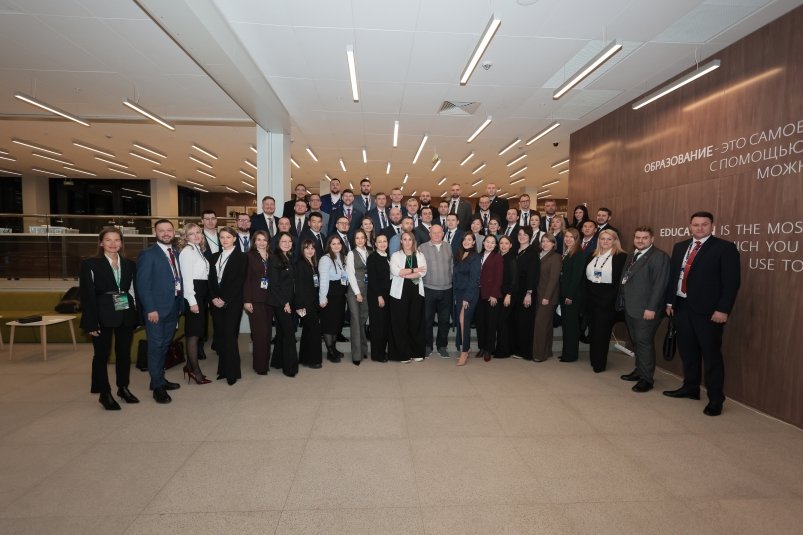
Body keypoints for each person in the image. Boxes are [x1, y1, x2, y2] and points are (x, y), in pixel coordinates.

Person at [664, 212, 740, 416]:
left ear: (712, 226)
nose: (699, 228)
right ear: (690, 226)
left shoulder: (725, 248)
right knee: (688, 352)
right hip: (681, 307)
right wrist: (670, 301)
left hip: (709, 312)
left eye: (704, 224)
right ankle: (691, 388)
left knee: (711, 355)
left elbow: (731, 283)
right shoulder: (680, 247)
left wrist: (723, 309)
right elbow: (674, 276)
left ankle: (716, 399)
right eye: (695, 224)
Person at [79, 228, 139, 410]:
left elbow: (132, 290)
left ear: (121, 243)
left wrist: (135, 314)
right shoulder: (90, 264)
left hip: (124, 312)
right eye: (108, 240)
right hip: (101, 314)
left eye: (117, 240)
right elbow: (87, 295)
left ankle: (123, 388)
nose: (113, 244)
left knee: (123, 353)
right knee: (101, 355)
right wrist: (91, 322)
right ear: (101, 243)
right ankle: (104, 393)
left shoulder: (129, 264)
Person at [617, 227, 670, 393]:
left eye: (644, 238)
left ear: (652, 239)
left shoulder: (659, 256)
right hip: (631, 307)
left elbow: (660, 285)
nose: (640, 241)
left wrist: (651, 308)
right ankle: (639, 371)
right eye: (638, 237)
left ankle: (647, 379)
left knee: (644, 342)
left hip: (646, 309)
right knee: (637, 341)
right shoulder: (632, 255)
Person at [136, 219, 184, 404]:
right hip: (156, 311)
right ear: (155, 233)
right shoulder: (148, 254)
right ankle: (157, 387)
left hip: (173, 308)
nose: (166, 233)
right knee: (155, 347)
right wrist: (150, 309)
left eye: (169, 230)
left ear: (174, 232)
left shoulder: (176, 253)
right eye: (161, 230)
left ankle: (159, 379)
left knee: (164, 345)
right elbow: (143, 285)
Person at [585, 229, 628, 373]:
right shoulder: (592, 255)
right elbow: (586, 278)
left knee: (602, 333)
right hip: (591, 298)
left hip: (608, 300)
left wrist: (608, 298)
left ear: (615, 241)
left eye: (609, 239)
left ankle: (599, 363)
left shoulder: (621, 257)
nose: (605, 241)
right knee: (593, 331)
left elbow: (620, 282)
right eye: (602, 238)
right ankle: (594, 359)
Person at [209, 227, 247, 385]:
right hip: (215, 302)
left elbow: (239, 281)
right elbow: (210, 280)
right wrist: (213, 297)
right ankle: (223, 370)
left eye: (228, 237)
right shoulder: (214, 256)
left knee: (230, 336)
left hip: (232, 302)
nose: (225, 240)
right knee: (221, 336)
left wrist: (225, 299)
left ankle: (232, 373)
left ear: (234, 239)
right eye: (222, 237)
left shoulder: (242, 257)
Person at [177, 222, 211, 384]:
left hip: (201, 293)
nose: (196, 235)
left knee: (198, 331)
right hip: (194, 295)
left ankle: (188, 367)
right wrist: (192, 301)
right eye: (191, 233)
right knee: (193, 333)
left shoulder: (198, 250)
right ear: (185, 237)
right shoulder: (187, 252)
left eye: (198, 232)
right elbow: (187, 279)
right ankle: (195, 372)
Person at [388, 231, 427, 362]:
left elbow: (423, 272)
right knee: (401, 323)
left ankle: (416, 352)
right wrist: (414, 270)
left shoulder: (420, 255)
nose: (407, 242)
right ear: (401, 241)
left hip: (416, 293)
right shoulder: (395, 255)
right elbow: (396, 271)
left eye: (410, 239)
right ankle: (402, 354)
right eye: (405, 239)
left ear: (413, 241)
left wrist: (405, 273)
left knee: (415, 322)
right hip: (399, 294)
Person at [419, 224, 453, 358]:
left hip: (447, 289)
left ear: (443, 234)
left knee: (444, 320)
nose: (437, 235)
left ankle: (442, 346)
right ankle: (427, 346)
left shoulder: (448, 247)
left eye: (439, 232)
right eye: (434, 232)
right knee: (427, 319)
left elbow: (451, 266)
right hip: (429, 289)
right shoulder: (422, 248)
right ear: (429, 234)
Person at [268, 231, 298, 377]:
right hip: (281, 302)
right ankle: (290, 368)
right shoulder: (274, 259)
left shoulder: (289, 257)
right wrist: (285, 302)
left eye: (289, 241)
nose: (287, 244)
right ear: (278, 243)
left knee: (281, 332)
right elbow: (273, 285)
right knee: (289, 333)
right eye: (283, 241)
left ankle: (277, 361)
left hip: (288, 301)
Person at [243, 230, 273, 376]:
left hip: (270, 299)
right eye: (258, 239)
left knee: (267, 333)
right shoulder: (249, 257)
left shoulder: (271, 256)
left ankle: (265, 362)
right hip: (255, 300)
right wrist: (247, 300)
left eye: (264, 239)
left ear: (268, 242)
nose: (261, 242)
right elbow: (246, 279)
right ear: (254, 241)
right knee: (259, 334)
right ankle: (260, 366)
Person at [318, 234, 348, 362]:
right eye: (333, 244)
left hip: (340, 296)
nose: (336, 246)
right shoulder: (325, 259)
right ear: (329, 245)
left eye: (338, 243)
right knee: (329, 324)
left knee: (336, 323)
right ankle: (330, 351)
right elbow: (323, 280)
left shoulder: (341, 257)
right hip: (330, 295)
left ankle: (334, 348)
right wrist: (323, 298)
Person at [453, 233, 481, 365]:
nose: (466, 241)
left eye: (469, 239)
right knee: (460, 321)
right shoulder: (459, 255)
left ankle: (464, 351)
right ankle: (466, 347)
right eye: (464, 239)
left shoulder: (475, 257)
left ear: (474, 242)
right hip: (459, 293)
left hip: (470, 293)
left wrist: (467, 297)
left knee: (463, 320)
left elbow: (474, 279)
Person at [511, 226, 539, 360]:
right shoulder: (516, 251)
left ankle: (526, 351)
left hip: (526, 291)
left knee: (525, 322)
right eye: (520, 234)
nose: (522, 236)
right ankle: (517, 349)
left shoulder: (532, 253)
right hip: (516, 291)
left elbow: (533, 275)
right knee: (517, 321)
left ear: (530, 237)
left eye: (525, 234)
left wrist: (529, 293)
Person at [532, 234, 561, 362]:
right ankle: (547, 351)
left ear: (553, 244)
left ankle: (539, 354)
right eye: (543, 241)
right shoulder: (539, 255)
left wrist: (547, 297)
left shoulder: (556, 257)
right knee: (546, 325)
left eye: (548, 241)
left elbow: (553, 279)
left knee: (540, 325)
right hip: (538, 294)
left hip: (547, 297)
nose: (545, 243)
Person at [558, 228, 586, 363]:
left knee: (571, 326)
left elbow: (576, 276)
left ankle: (571, 354)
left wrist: (570, 295)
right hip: (564, 293)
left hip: (571, 295)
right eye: (566, 236)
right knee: (566, 325)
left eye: (571, 237)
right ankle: (566, 352)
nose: (568, 239)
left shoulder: (579, 253)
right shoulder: (567, 251)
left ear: (576, 239)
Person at [295, 239, 323, 369]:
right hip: (305, 303)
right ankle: (313, 360)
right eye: (307, 248)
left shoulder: (314, 264)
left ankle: (304, 358)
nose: (310, 250)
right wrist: (299, 306)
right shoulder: (300, 264)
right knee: (314, 331)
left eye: (312, 248)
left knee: (307, 331)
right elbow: (298, 287)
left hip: (313, 302)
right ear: (302, 249)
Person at [345, 229, 371, 365]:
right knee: (355, 321)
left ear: (366, 239)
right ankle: (356, 355)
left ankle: (363, 349)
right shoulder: (351, 253)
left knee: (362, 319)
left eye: (362, 238)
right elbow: (350, 274)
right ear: (354, 240)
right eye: (357, 238)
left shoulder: (369, 252)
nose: (360, 240)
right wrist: (357, 293)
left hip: (367, 289)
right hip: (355, 291)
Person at [475, 234, 502, 362]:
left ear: (495, 245)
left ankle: (489, 349)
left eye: (492, 242)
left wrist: (494, 294)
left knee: (491, 323)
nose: (489, 244)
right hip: (478, 294)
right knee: (480, 322)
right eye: (487, 241)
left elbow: (499, 277)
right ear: (483, 242)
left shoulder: (497, 257)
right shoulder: (478, 256)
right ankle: (482, 347)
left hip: (491, 295)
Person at [366, 234, 392, 362]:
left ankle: (382, 351)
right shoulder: (372, 258)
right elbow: (373, 280)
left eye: (384, 241)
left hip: (388, 295)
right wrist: (379, 296)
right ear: (375, 244)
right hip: (377, 296)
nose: (382, 244)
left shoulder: (388, 256)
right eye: (379, 242)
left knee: (385, 325)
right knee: (378, 326)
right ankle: (377, 355)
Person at [494, 235, 518, 358]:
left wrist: (509, 294)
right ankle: (503, 348)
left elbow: (514, 279)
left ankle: (503, 351)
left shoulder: (511, 258)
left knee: (502, 322)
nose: (503, 246)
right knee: (502, 322)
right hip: (500, 294)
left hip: (508, 295)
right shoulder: (499, 257)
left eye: (506, 243)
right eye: (501, 243)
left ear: (511, 245)